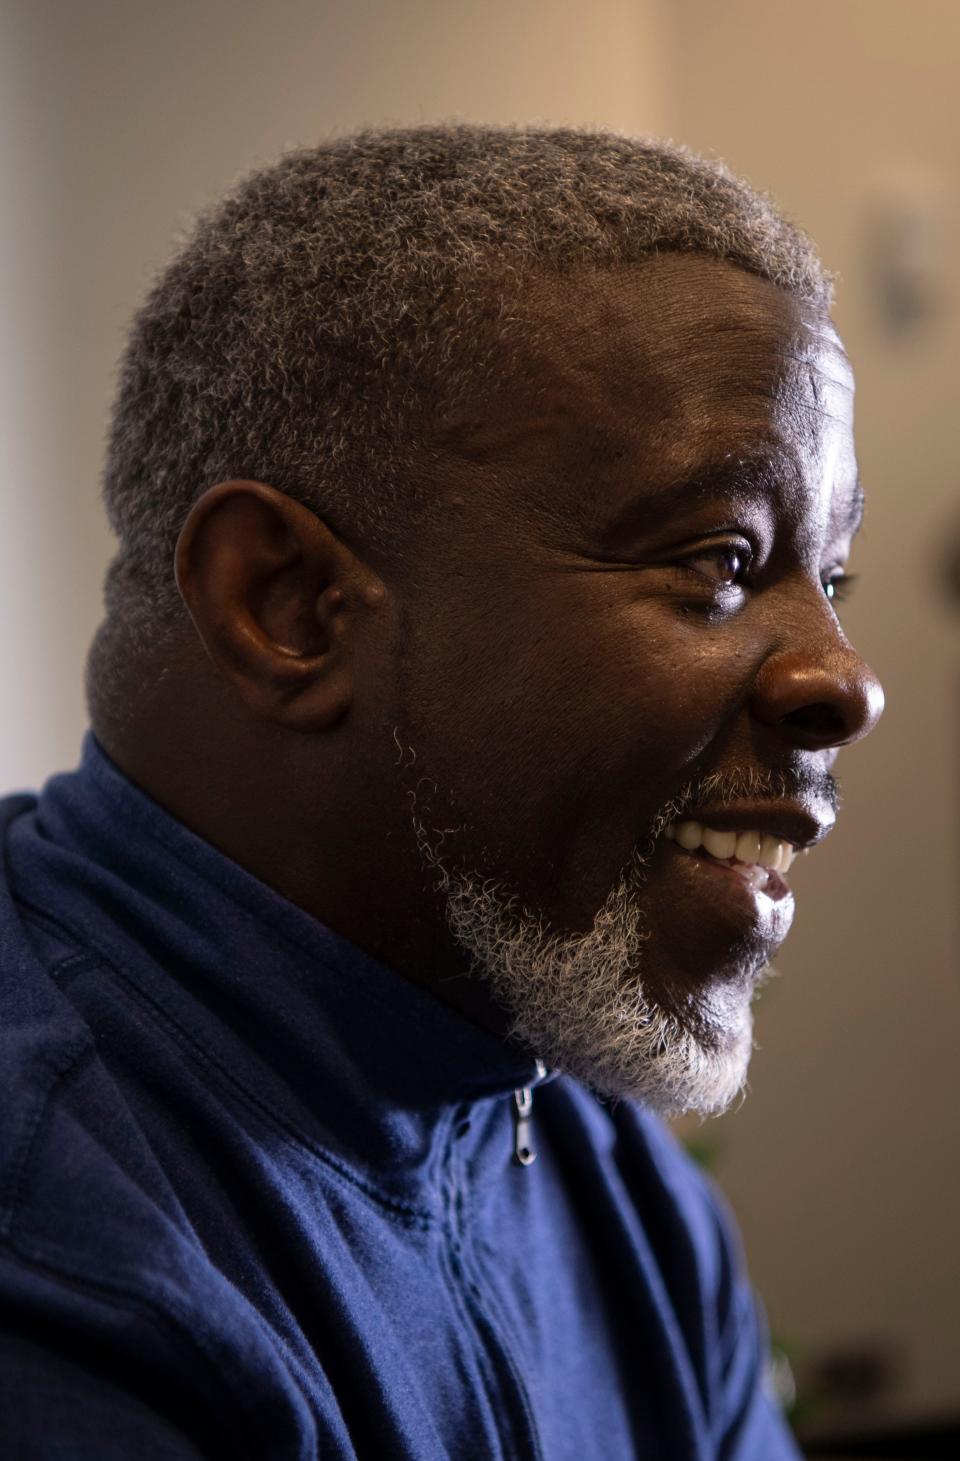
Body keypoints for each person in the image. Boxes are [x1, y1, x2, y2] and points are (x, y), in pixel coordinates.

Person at [0, 125, 883, 1460]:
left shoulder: (619, 1186)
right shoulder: (63, 1253)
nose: (845, 680)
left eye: (835, 579)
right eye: (722, 556)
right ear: (287, 604)